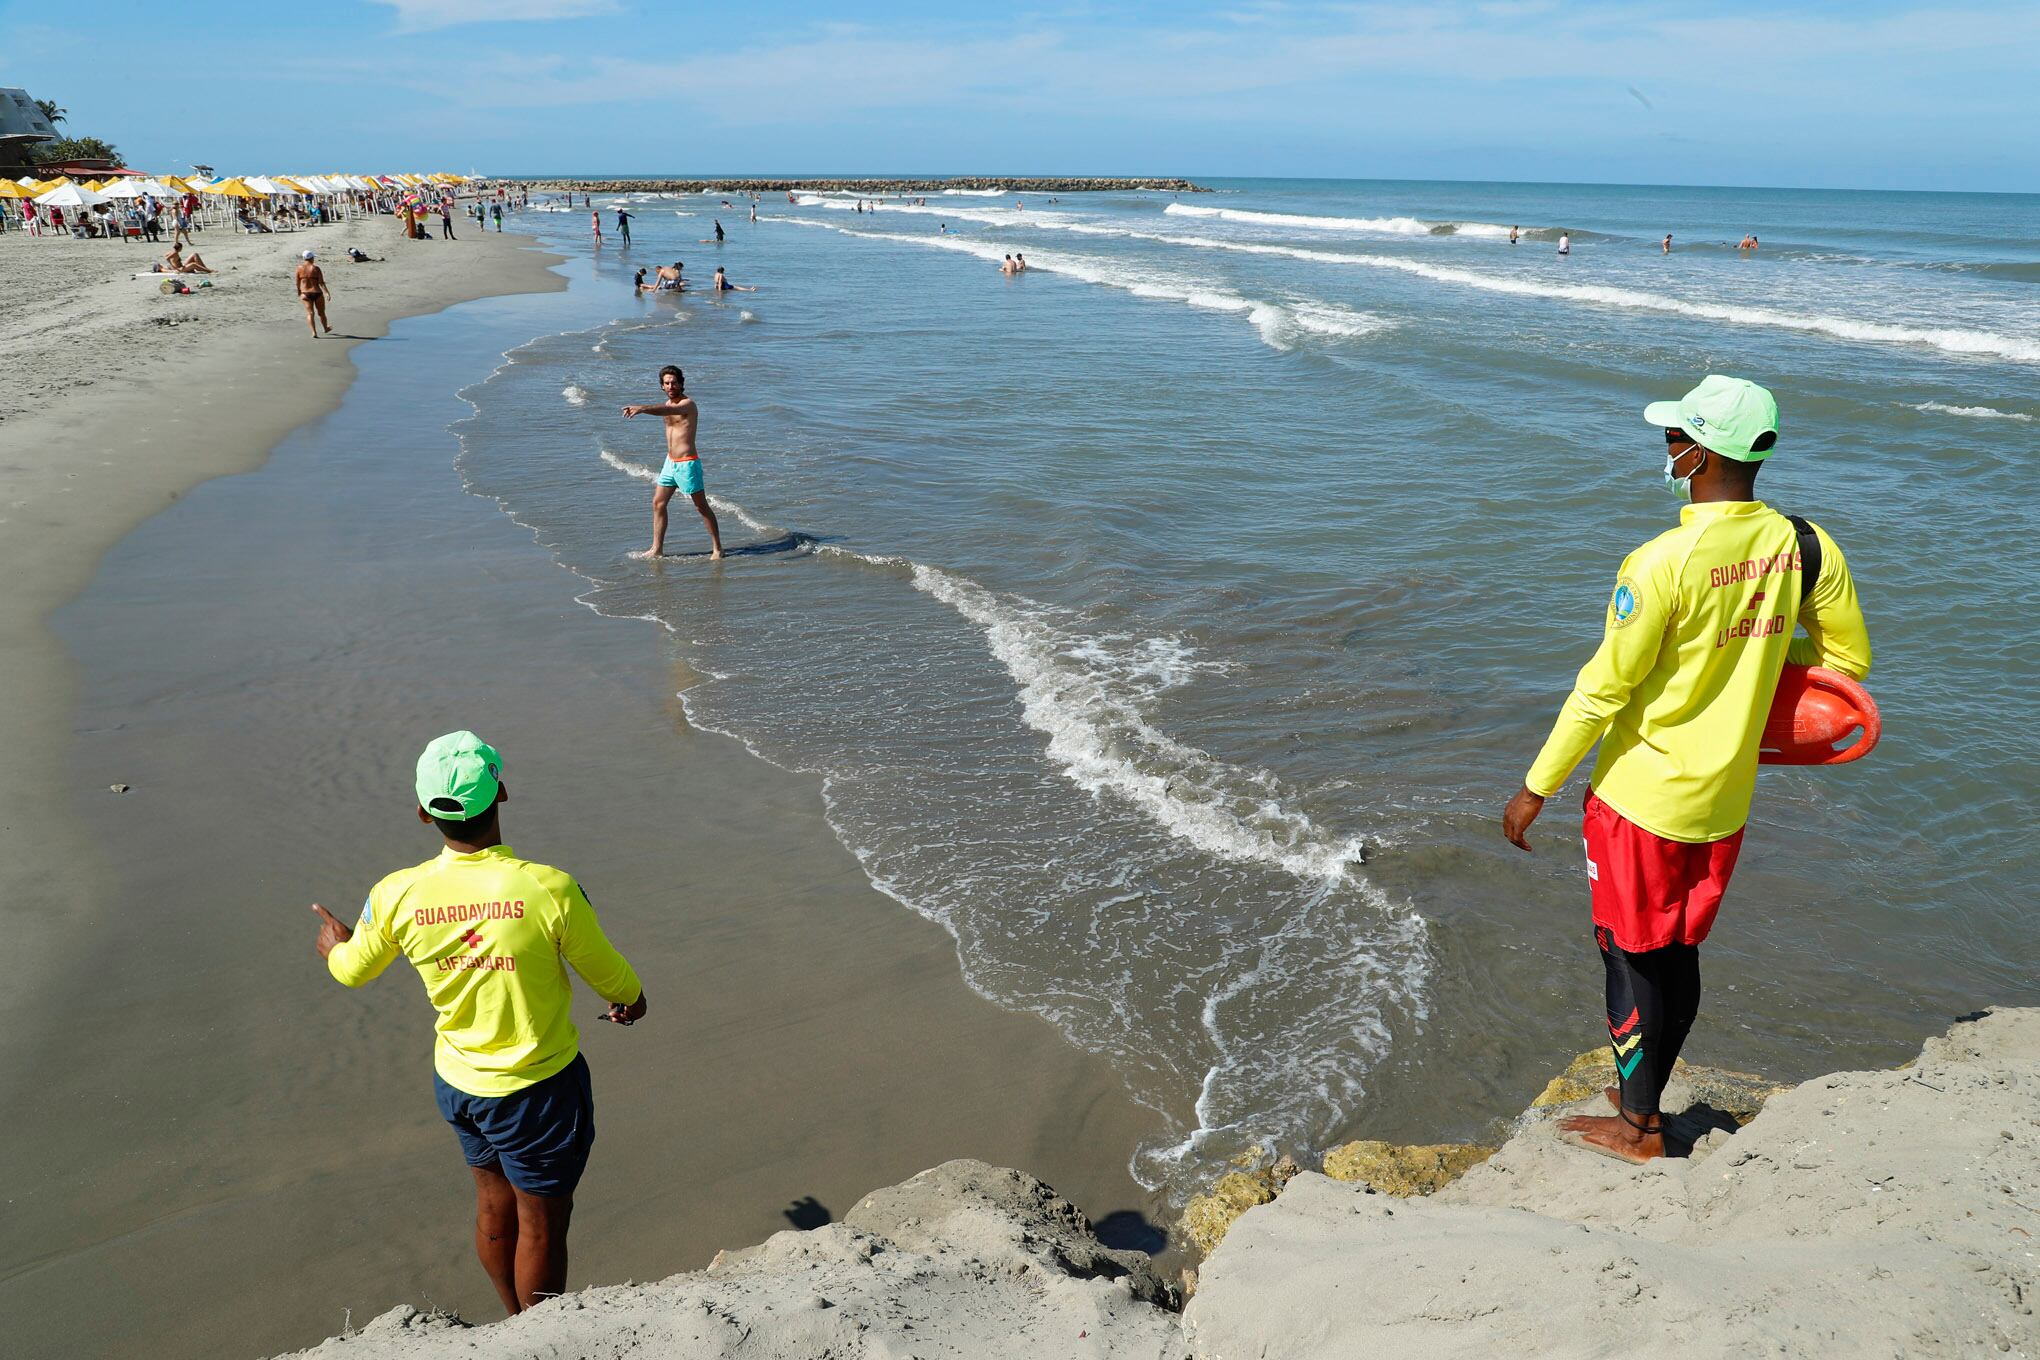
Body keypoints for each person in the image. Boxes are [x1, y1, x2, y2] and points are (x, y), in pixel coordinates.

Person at [1501, 375, 1870, 1164]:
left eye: (1673, 438)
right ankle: (1645, 1097)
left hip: (1640, 797)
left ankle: (1639, 1129)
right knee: (1678, 952)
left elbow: (1603, 690)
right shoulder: (1807, 546)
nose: (1666, 448)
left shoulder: (1659, 562)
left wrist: (1536, 788)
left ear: (1698, 454)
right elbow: (1847, 662)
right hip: (1726, 801)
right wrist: (1755, 650)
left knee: (1628, 955)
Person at [311, 731, 646, 1316]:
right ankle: (537, 1333)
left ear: (423, 813)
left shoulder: (397, 893)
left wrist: (337, 942)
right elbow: (618, 983)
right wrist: (630, 1003)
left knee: (493, 1205)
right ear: (503, 793)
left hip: (460, 1083)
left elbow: (351, 973)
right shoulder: (548, 888)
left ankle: (513, 1322)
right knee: (541, 1222)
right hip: (536, 1087)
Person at [622, 365, 723, 560]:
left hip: (687, 463)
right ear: (662, 386)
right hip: (670, 462)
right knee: (658, 503)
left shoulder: (688, 404)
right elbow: (664, 410)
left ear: (681, 383)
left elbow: (663, 411)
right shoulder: (666, 405)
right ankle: (657, 548)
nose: (671, 386)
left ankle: (718, 548)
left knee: (701, 506)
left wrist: (642, 408)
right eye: (667, 383)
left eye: (674, 382)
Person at [296, 250, 334, 338]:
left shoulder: (299, 268)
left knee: (310, 313)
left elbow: (297, 282)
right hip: (317, 293)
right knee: (321, 313)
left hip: (305, 293)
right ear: (311, 258)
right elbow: (321, 283)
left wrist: (299, 291)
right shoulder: (316, 268)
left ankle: (314, 332)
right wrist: (327, 293)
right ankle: (325, 328)